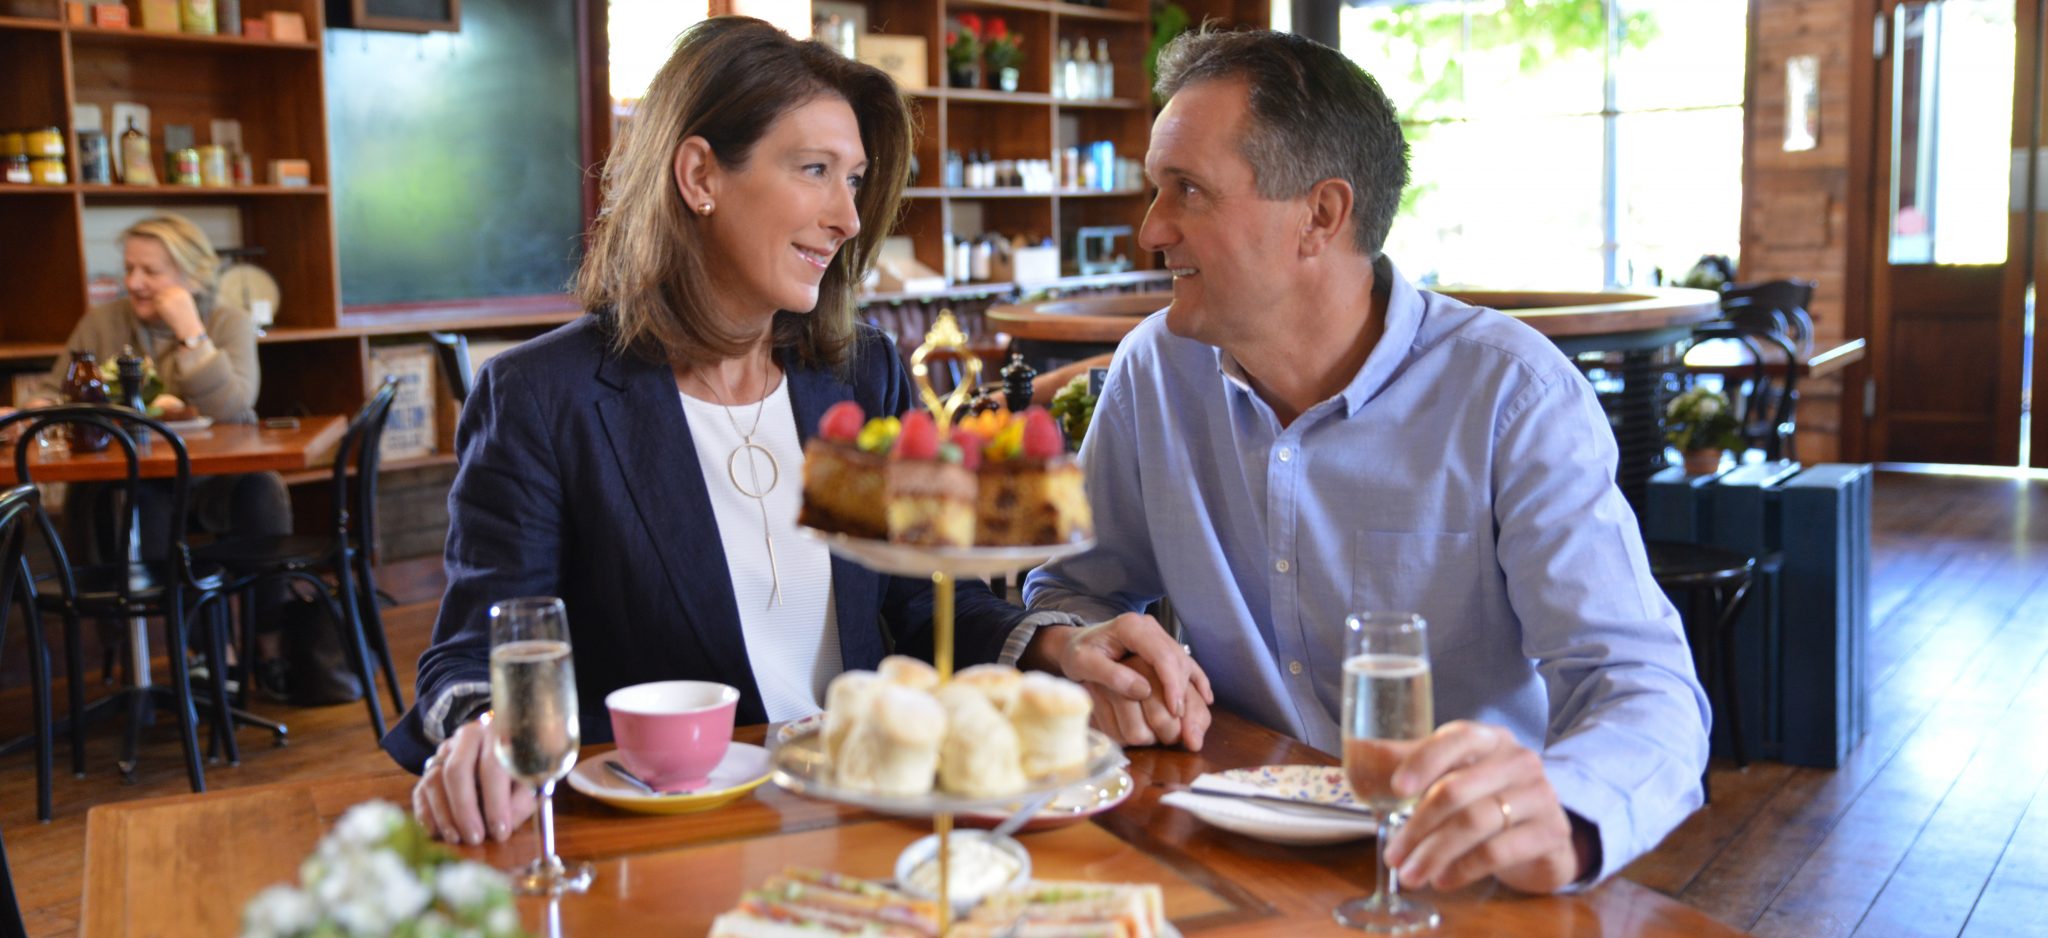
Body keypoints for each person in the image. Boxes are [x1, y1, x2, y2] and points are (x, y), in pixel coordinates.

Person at [1019, 29, 1710, 894]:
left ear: (1321, 216)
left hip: (1450, 869)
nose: (1150, 229)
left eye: (1187, 189)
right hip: (1220, 843)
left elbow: (1641, 685)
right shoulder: (1154, 371)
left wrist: (1565, 812)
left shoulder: (1513, 394)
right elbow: (1075, 589)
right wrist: (1093, 653)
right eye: (1157, 188)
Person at [389, 17, 1076, 847]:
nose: (849, 218)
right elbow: (476, 655)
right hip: (672, 843)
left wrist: (1056, 648)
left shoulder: (861, 375)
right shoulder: (542, 398)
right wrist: (483, 728)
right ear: (700, 175)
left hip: (869, 824)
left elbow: (921, 596)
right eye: (815, 170)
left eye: (855, 180)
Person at [20, 214, 291, 646]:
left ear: (193, 275)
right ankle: (203, 654)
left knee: (262, 490)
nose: (135, 282)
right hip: (127, 485)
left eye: (151, 271)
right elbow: (55, 394)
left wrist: (190, 332)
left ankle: (270, 644)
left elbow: (233, 409)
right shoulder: (103, 323)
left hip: (214, 481)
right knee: (147, 502)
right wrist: (37, 409)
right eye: (129, 268)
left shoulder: (228, 323)